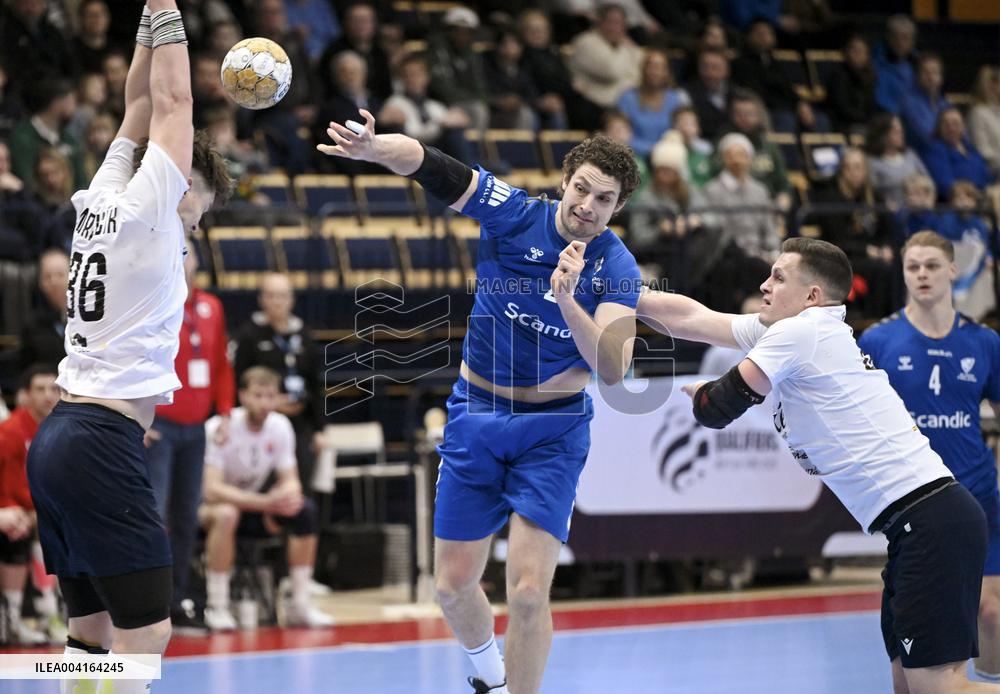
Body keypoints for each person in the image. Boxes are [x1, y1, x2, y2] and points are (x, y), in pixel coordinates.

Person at [317, 108, 641, 694]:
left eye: (604, 199)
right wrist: (372, 150)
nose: (588, 206)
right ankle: (490, 676)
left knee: (525, 592)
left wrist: (569, 301)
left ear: (617, 209)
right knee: (452, 586)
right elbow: (433, 166)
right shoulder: (515, 214)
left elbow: (615, 369)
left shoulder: (615, 265)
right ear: (564, 182)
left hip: (553, 431)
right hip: (477, 413)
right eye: (582, 189)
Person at [636, 236, 993, 694]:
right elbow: (692, 319)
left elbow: (716, 409)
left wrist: (705, 393)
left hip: (930, 522)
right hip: (920, 525)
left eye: (778, 277)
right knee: (908, 686)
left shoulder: (799, 333)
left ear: (812, 297)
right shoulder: (799, 331)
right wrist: (618, 290)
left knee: (940, 689)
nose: (764, 285)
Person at [25, 3, 231, 692]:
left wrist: (147, 18)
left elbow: (138, 103)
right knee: (147, 632)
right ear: (182, 187)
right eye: (200, 206)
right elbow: (171, 97)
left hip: (59, 439)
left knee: (89, 634)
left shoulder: (101, 193)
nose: (197, 222)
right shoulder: (153, 208)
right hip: (95, 440)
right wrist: (171, 8)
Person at [858, 231, 1000, 683]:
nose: (922, 274)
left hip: (978, 491)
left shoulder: (984, 342)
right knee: (912, 640)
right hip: (918, 501)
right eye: (913, 266)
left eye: (932, 265)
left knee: (991, 610)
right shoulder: (880, 340)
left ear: (953, 271)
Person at [198, 367, 332, 631]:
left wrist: (286, 495)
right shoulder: (219, 427)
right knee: (226, 513)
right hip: (206, 512)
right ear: (243, 396)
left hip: (255, 508)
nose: (264, 403)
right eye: (257, 396)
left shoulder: (280, 426)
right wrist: (266, 503)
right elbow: (212, 490)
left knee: (303, 509)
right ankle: (218, 606)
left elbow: (290, 478)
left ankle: (299, 604)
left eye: (270, 396)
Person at [145, 236, 235, 633]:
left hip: (196, 430)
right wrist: (139, 415)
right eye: (179, 256)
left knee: (186, 518)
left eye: (190, 257)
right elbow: (141, 361)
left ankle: (178, 597)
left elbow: (220, 365)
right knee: (155, 516)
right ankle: (148, 603)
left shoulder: (211, 307)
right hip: (160, 429)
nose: (186, 263)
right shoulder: (155, 304)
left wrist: (226, 413)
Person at [232, 273, 323, 495]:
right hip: (262, 423)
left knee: (299, 490)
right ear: (262, 299)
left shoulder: (303, 334)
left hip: (299, 423)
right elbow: (239, 382)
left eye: (282, 296)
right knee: (265, 487)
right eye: (271, 296)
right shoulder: (249, 335)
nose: (277, 301)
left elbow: (316, 384)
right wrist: (269, 402)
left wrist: (321, 429)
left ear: (291, 299)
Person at [0, 364, 60, 645]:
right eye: (40, 389)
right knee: (28, 527)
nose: (48, 395)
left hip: (34, 509)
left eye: (54, 389)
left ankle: (51, 610)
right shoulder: (11, 432)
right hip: (13, 508)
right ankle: (17, 617)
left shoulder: (61, 430)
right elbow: (7, 486)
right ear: (24, 395)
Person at [18, 248, 69, 371]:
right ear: (40, 283)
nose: (54, 281)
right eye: (47, 276)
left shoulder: (92, 317)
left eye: (60, 274)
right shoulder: (33, 325)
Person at [865, 113, 929, 209]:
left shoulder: (910, 155)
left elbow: (928, 182)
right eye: (896, 132)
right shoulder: (873, 163)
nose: (902, 135)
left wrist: (928, 202)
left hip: (920, 210)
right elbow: (871, 193)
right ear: (883, 136)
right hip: (891, 214)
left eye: (901, 131)